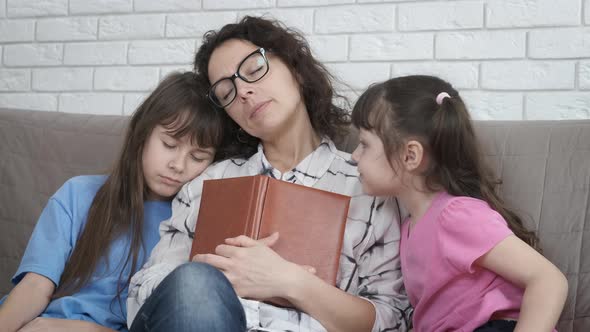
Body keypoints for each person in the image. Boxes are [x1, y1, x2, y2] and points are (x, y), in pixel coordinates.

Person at [127, 16, 412, 332]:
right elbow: (143, 288)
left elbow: (394, 319)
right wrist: (212, 276)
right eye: (227, 93)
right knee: (196, 283)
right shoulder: (207, 184)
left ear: (296, 69)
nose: (244, 92)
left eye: (253, 71)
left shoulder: (368, 187)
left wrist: (291, 283)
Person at [0, 72, 225, 332]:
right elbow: (34, 286)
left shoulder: (192, 224)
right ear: (142, 135)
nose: (178, 165)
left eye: (197, 157)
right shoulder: (78, 194)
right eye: (169, 144)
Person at [350, 75, 568, 332]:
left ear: (410, 155)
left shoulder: (455, 215)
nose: (353, 156)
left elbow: (548, 279)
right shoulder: (409, 226)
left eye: (364, 144)